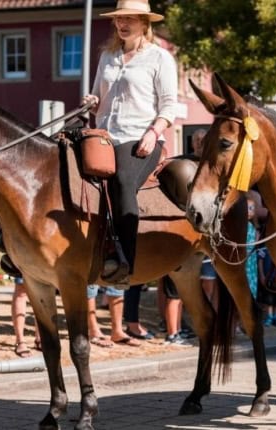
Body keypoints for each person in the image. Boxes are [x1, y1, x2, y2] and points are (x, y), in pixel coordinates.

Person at [83, 0, 180, 285]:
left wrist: (153, 133)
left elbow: (169, 106)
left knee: (123, 180)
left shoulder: (160, 58)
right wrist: (92, 102)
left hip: (140, 137)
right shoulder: (107, 55)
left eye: (130, 19)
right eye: (119, 19)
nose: (122, 24)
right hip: (104, 137)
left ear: (144, 23)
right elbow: (98, 99)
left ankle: (125, 261)